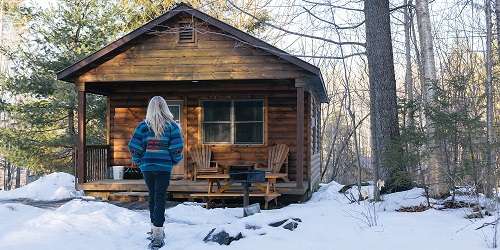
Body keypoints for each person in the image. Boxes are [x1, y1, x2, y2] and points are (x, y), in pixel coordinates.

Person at [128, 96, 184, 249]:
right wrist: (174, 160)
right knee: (159, 198)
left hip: (147, 168)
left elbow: (134, 146)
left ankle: (155, 229)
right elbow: (177, 148)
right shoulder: (172, 126)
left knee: (153, 196)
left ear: (150, 108)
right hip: (163, 168)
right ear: (165, 107)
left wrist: (140, 161)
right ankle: (158, 234)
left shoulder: (143, 126)